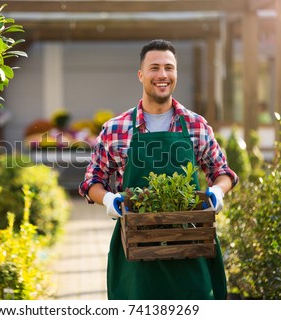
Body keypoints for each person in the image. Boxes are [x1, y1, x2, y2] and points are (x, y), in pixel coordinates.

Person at [79, 39, 238, 300]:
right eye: (154, 68)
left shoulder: (195, 125)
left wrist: (218, 192)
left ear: (176, 74)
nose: (162, 75)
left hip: (191, 244)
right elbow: (91, 181)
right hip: (136, 250)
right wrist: (108, 198)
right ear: (141, 75)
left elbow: (222, 171)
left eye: (169, 68)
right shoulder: (115, 129)